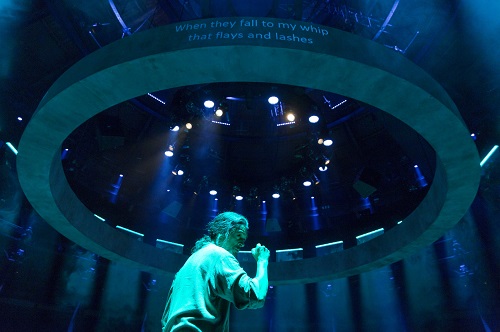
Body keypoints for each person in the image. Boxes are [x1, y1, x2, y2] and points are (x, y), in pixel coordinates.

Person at [161, 211, 270, 332]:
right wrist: (262, 261)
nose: (242, 242)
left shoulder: (188, 265)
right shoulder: (220, 256)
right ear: (222, 232)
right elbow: (255, 296)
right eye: (238, 235)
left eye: (244, 239)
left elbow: (166, 317)